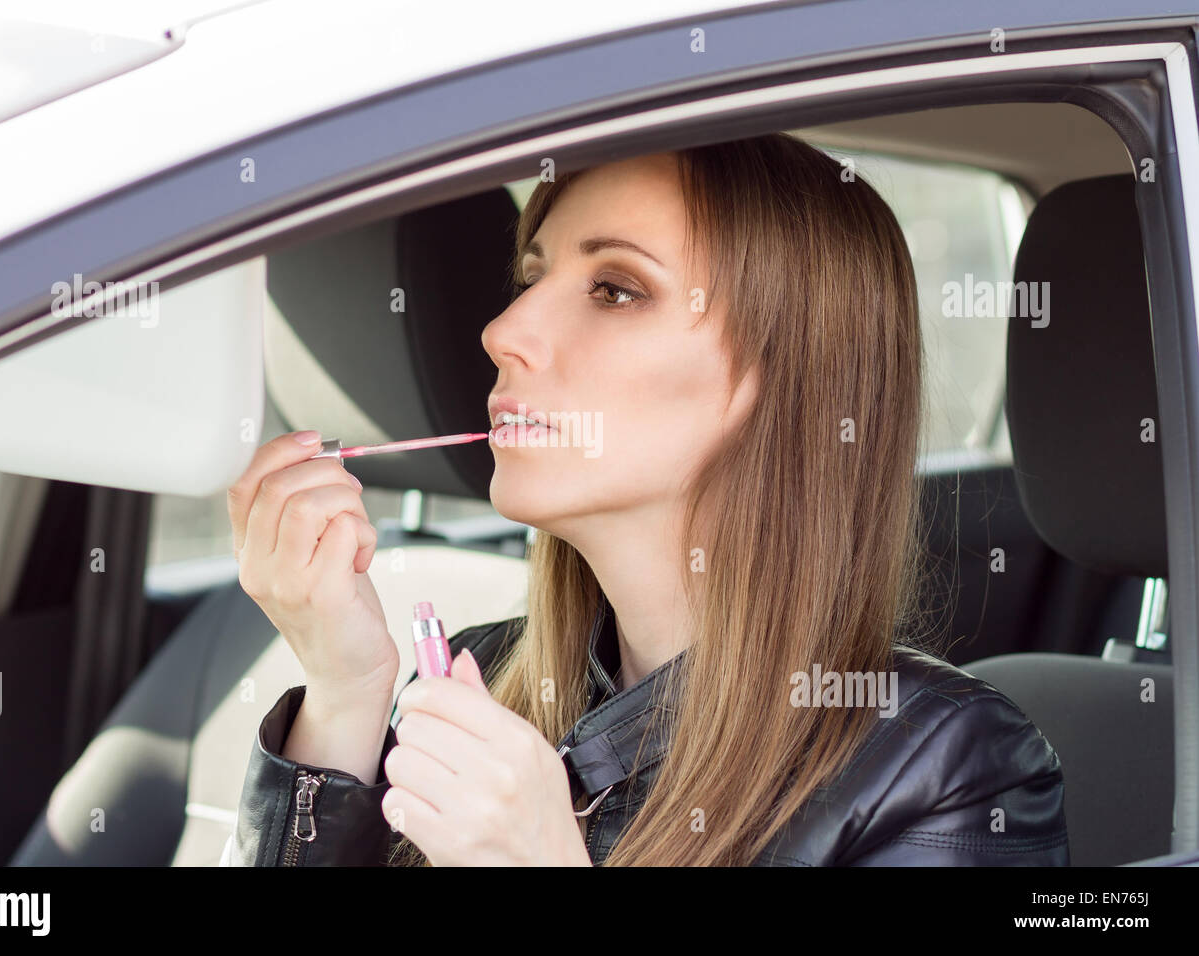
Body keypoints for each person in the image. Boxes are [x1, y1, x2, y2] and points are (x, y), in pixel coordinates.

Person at [224, 133, 1069, 866]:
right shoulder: (472, 685)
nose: (503, 330)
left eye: (615, 290)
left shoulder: (945, 768)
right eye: (532, 276)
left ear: (779, 380)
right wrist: (344, 691)